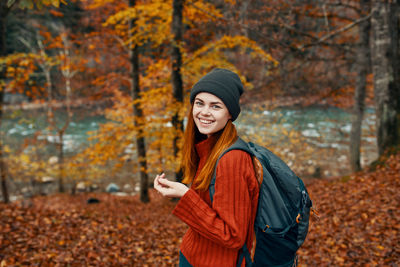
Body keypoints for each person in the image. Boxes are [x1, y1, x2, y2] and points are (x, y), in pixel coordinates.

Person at [154, 68, 259, 267]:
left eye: (216, 106)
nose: (204, 112)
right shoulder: (207, 148)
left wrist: (186, 196)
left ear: (230, 114)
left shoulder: (233, 159)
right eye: (199, 103)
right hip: (193, 255)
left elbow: (233, 236)